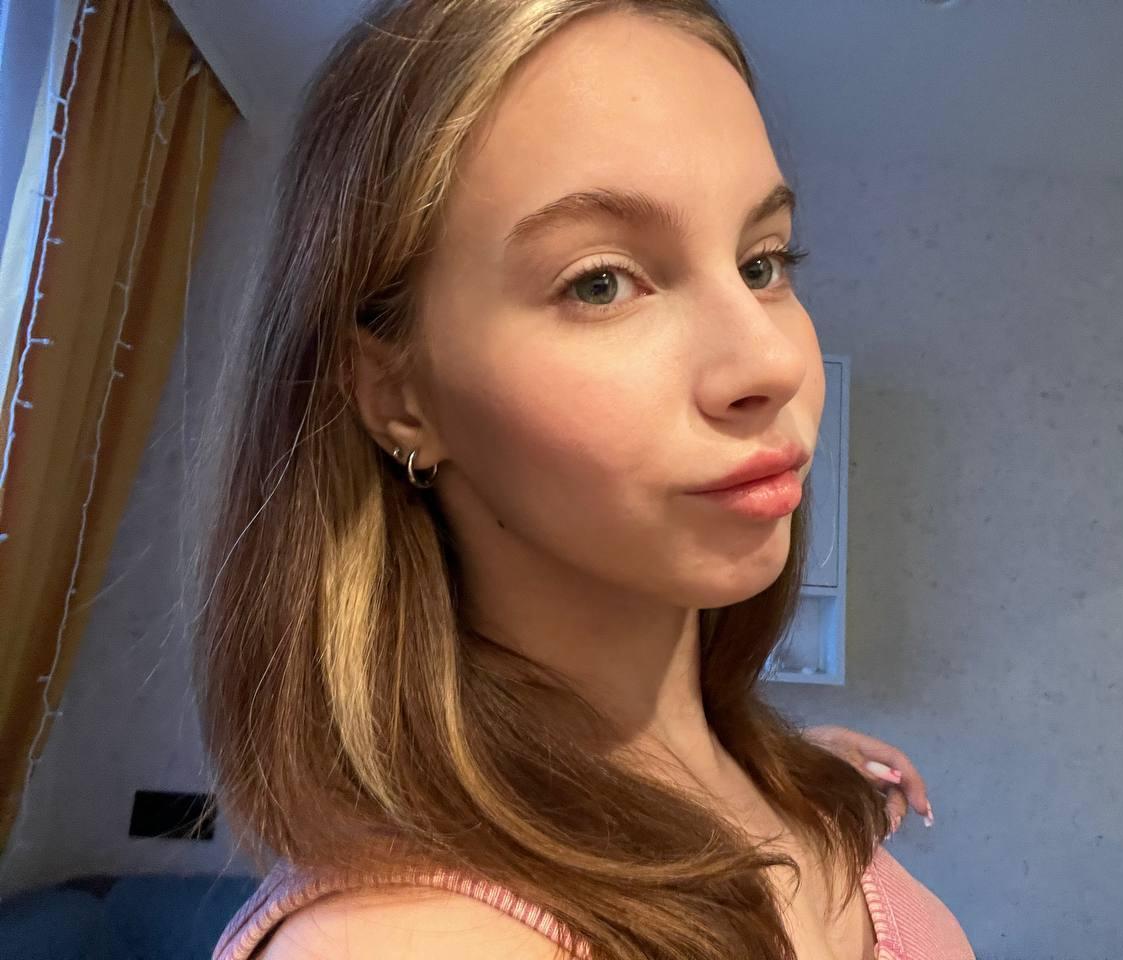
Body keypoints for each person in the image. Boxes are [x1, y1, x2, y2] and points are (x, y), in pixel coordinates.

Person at [198, 2, 975, 958]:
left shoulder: (791, 796)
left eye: (762, 263)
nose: (771, 362)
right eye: (600, 282)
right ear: (398, 395)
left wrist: (785, 767)